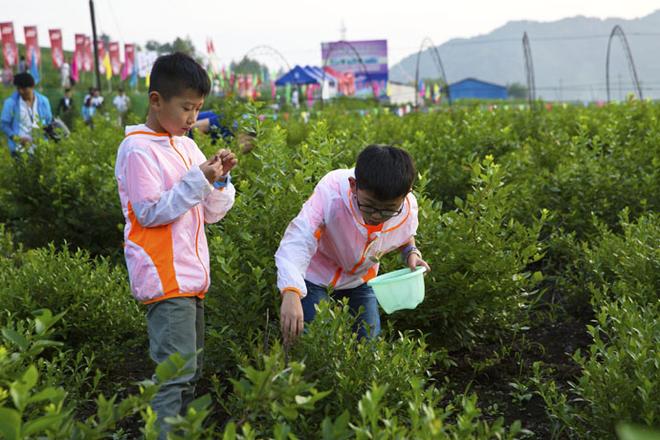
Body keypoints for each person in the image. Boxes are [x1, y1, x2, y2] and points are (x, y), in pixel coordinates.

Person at [114, 52, 237, 438]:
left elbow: (211, 212)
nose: (191, 118)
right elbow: (149, 212)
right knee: (174, 376)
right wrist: (198, 180)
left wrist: (218, 181)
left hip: (191, 278)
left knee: (189, 373)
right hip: (166, 278)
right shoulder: (137, 150)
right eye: (186, 108)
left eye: (197, 108)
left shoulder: (184, 146)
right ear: (156, 101)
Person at [276, 145, 430, 342]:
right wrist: (291, 291)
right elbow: (299, 239)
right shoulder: (331, 192)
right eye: (370, 205)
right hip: (314, 277)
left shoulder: (406, 207)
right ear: (353, 185)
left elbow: (404, 234)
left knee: (368, 345)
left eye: (388, 210)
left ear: (406, 194)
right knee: (314, 342)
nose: (376, 216)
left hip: (360, 280)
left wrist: (411, 253)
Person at [1, 72, 52, 156]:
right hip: (19, 151)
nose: (21, 91)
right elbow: (4, 125)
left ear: (32, 87)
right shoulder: (10, 103)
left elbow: (48, 121)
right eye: (18, 88)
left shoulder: (44, 102)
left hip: (41, 149)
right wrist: (17, 138)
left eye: (24, 89)